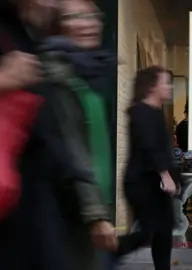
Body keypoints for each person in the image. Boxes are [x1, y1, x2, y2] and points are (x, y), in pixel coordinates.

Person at [38, 0, 118, 269]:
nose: (89, 24)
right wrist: (96, 215)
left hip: (87, 211)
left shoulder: (89, 75)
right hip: (66, 213)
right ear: (58, 25)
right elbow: (74, 147)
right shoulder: (56, 73)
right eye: (76, 17)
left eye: (94, 17)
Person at [116, 66, 182, 269]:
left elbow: (162, 150)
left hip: (153, 185)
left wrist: (175, 178)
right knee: (147, 231)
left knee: (163, 231)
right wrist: (166, 176)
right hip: (141, 184)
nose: (169, 87)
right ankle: (107, 253)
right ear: (153, 87)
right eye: (165, 82)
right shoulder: (141, 112)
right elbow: (149, 146)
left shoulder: (154, 113)